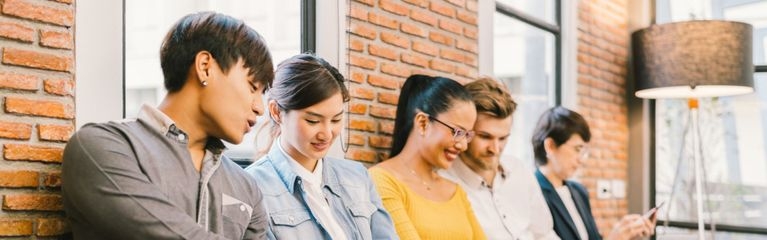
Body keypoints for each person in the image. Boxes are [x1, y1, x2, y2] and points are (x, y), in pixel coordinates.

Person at [62, 12, 273, 239]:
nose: (260, 108)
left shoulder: (247, 187)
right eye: (253, 87)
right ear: (205, 67)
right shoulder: (102, 147)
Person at [245, 53, 397, 240]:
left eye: (336, 119)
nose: (326, 133)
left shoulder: (357, 176)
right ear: (276, 112)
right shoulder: (253, 189)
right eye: (313, 120)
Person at [440, 77, 560, 240]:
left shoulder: (519, 170)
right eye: (485, 137)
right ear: (464, 131)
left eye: (503, 138)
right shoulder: (443, 184)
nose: (495, 149)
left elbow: (544, 234)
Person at [369, 74, 486, 240]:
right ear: (423, 123)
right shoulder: (382, 181)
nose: (463, 145)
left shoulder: (456, 191)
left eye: (467, 135)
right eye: (457, 132)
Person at [532, 106, 656, 240]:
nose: (581, 159)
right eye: (577, 149)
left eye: (583, 151)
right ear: (550, 146)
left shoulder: (579, 191)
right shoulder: (532, 193)